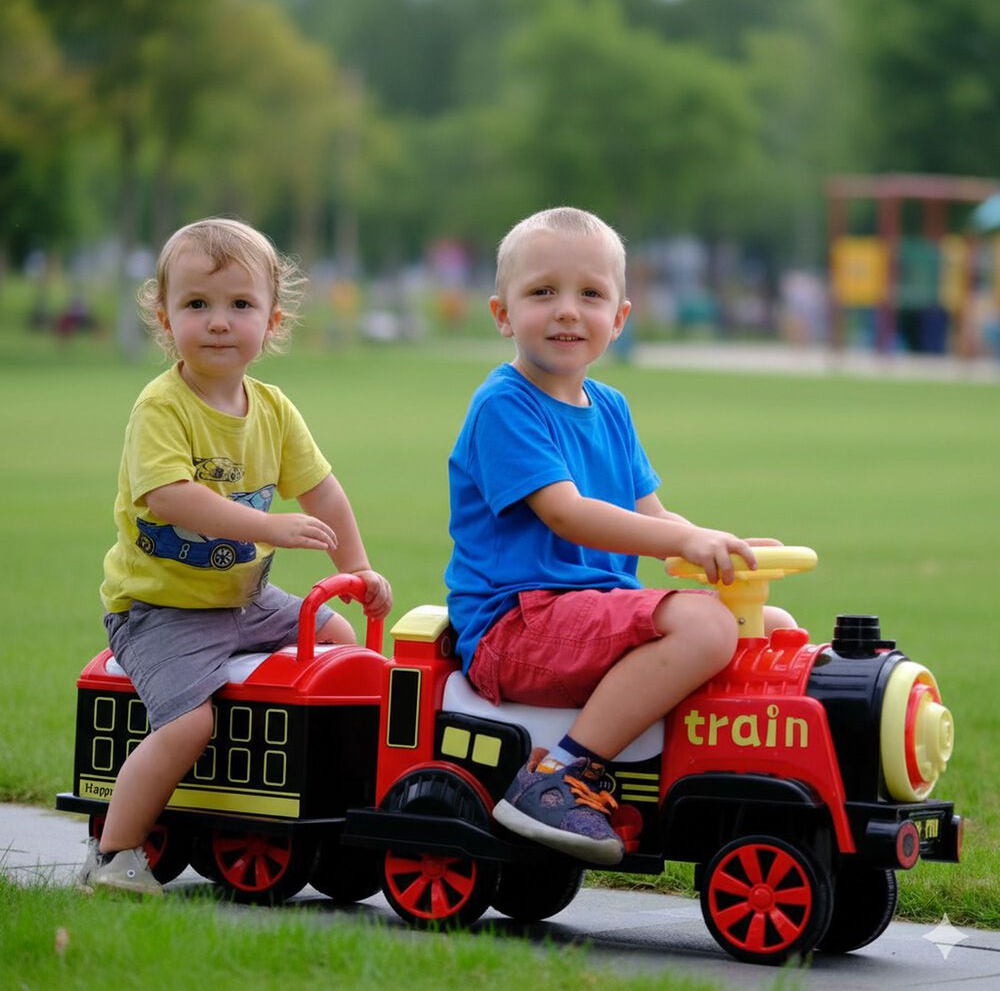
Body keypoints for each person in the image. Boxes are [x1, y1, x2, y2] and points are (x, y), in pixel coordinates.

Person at [445, 207, 792, 866]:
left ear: (620, 318)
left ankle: (739, 779)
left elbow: (653, 515)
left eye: (590, 294)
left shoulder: (610, 407)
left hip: (585, 615)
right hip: (517, 625)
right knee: (705, 628)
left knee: (764, 621)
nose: (568, 311)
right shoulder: (504, 405)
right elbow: (567, 514)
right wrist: (679, 547)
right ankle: (559, 777)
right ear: (502, 313)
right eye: (543, 292)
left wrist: (722, 546)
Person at [79, 217, 392, 894]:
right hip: (160, 609)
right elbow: (170, 498)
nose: (219, 322)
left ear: (272, 320)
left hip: (242, 599)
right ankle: (115, 854)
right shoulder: (162, 406)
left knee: (341, 645)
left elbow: (324, 492)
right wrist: (271, 528)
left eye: (240, 305)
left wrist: (358, 568)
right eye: (197, 305)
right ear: (165, 319)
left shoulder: (274, 410)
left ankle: (337, 795)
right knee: (191, 722)